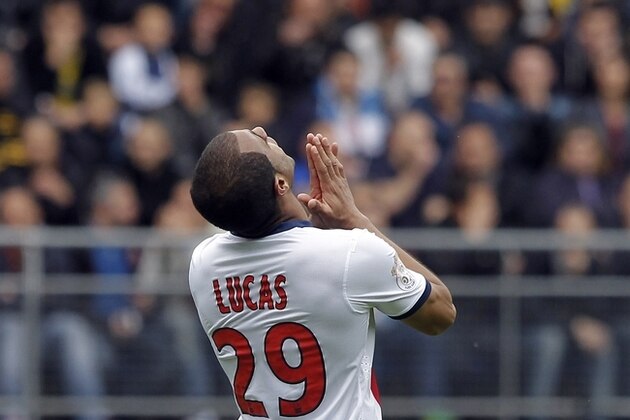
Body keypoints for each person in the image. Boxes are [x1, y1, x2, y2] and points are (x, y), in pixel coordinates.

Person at [188, 126, 456, 419]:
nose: (262, 130)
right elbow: (440, 313)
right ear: (280, 184)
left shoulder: (203, 263)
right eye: (260, 141)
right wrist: (355, 220)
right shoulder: (349, 252)